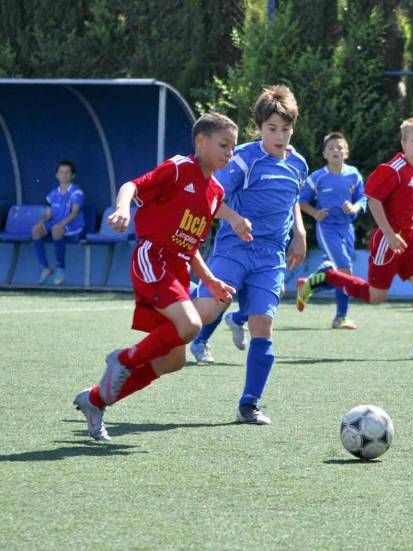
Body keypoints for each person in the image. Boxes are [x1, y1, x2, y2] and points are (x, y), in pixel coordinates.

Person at [72, 112, 252, 441]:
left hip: (177, 269)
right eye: (224, 145)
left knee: (172, 360)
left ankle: (95, 400)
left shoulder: (214, 193)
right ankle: (123, 358)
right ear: (201, 142)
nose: (230, 153)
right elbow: (131, 186)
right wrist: (124, 208)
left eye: (234, 147)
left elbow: (191, 245)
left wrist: (210, 280)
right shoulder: (180, 167)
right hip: (153, 258)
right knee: (192, 326)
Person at [192, 85, 308, 425]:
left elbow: (292, 202)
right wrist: (234, 218)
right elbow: (211, 198)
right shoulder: (243, 158)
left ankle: (249, 404)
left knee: (263, 323)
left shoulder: (298, 163)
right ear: (259, 128)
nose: (279, 135)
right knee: (213, 305)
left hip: (271, 255)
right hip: (234, 247)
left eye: (285, 129)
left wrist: (299, 234)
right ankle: (178, 317)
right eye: (272, 129)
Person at [296, 116, 413, 360]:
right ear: (403, 143)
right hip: (387, 241)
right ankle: (327, 276)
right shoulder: (394, 169)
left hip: (409, 239)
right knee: (375, 297)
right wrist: (390, 234)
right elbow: (373, 200)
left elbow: (400, 203)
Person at [296, 131, 367, 329]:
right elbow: (300, 200)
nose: (336, 150)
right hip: (327, 229)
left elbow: (363, 199)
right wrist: (315, 213)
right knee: (345, 270)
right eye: (331, 148)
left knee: (335, 270)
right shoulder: (317, 177)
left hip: (347, 228)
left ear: (346, 153)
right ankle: (340, 318)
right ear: (324, 154)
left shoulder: (354, 174)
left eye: (340, 147)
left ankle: (309, 284)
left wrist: (354, 208)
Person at [32, 160, 85, 285]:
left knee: (56, 229)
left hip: (73, 226)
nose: (64, 175)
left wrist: (61, 224)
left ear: (73, 175)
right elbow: (47, 214)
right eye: (61, 172)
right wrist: (40, 222)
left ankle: (60, 269)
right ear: (57, 175)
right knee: (36, 230)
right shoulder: (53, 194)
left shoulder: (77, 192)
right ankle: (45, 268)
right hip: (56, 224)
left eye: (67, 172)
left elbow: (74, 213)